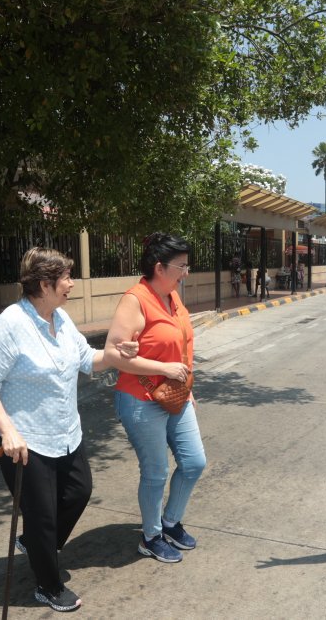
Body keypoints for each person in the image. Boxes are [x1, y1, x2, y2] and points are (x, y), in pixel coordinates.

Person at [0, 247, 136, 613]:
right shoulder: (11, 324)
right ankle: (48, 584)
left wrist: (114, 355)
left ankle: (35, 542)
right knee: (42, 514)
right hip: (25, 441)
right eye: (66, 278)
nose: (72, 284)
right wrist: (7, 431)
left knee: (79, 491)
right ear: (45, 284)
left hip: (64, 433)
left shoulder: (59, 320)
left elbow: (86, 359)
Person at [106, 232, 206, 564]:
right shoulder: (135, 300)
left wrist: (186, 386)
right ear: (159, 267)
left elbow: (183, 343)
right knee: (155, 472)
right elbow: (114, 354)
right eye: (181, 266)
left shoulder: (172, 297)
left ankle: (170, 522)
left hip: (176, 396)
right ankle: (150, 537)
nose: (186, 272)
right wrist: (164, 367)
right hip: (139, 398)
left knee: (194, 462)